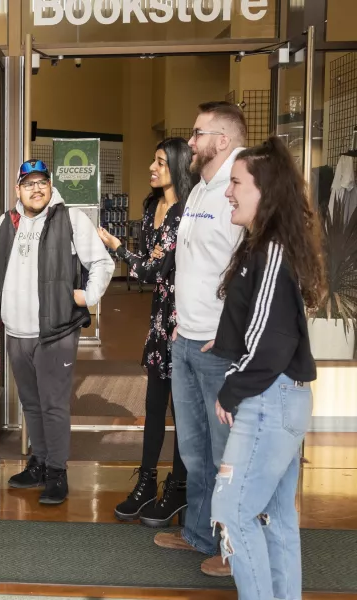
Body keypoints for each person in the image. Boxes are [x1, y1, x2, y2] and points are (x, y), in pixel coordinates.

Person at [209, 136, 323, 599]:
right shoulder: (273, 246)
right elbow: (267, 324)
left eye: (236, 182)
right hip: (281, 399)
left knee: (233, 513)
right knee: (277, 518)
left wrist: (232, 389)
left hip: (268, 400)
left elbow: (270, 340)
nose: (228, 191)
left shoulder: (271, 250)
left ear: (265, 190)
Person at [0, 159, 115, 505]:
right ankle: (38, 463)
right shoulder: (4, 224)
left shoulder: (69, 219)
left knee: (54, 404)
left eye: (42, 182)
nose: (36, 189)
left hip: (55, 331)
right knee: (31, 402)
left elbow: (101, 262)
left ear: (51, 186)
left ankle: (57, 472)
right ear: (18, 190)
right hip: (16, 333)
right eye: (29, 183)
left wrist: (89, 295)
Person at [153, 101, 247, 577]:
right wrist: (177, 321)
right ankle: (200, 534)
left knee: (225, 450)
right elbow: (190, 264)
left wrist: (229, 335)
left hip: (218, 347)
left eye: (197, 134)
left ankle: (234, 550)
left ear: (223, 141)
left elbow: (250, 274)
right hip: (185, 339)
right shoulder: (199, 190)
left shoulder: (243, 187)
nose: (189, 142)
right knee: (193, 448)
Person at [98, 137, 194, 527]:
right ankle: (147, 483)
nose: (152, 168)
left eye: (160, 162)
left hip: (184, 320)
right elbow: (151, 272)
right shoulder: (152, 206)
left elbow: (150, 270)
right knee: (154, 407)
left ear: (178, 167)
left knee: (183, 411)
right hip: (159, 320)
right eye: (153, 161)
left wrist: (117, 248)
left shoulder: (186, 212)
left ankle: (179, 486)